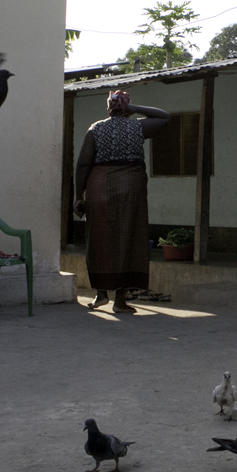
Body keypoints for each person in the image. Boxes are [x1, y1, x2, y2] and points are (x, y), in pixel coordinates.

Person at [74, 90, 169, 313]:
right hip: (130, 187)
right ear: (126, 108)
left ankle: (100, 295)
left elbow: (83, 165)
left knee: (100, 239)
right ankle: (120, 301)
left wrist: (79, 196)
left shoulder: (95, 128)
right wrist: (135, 109)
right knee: (128, 238)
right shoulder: (137, 127)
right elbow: (164, 118)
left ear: (108, 108)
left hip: (99, 189)